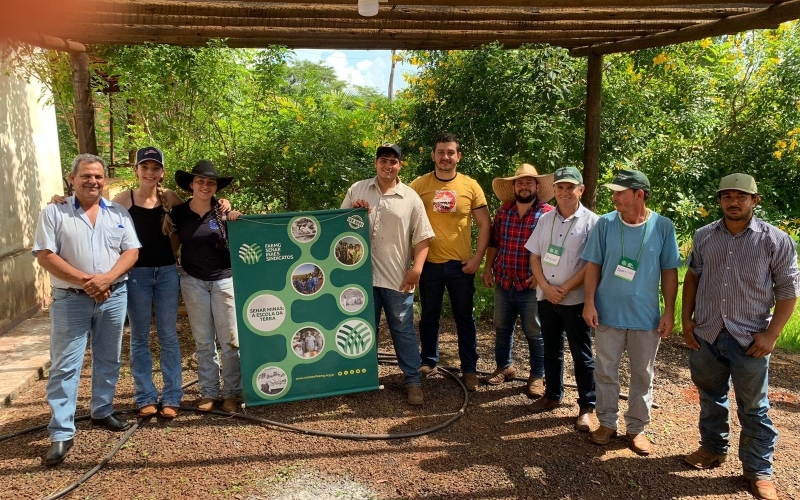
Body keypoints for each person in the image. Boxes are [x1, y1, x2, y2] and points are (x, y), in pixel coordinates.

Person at [681, 174, 799, 500]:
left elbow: (788, 292)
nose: (733, 202)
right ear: (719, 200)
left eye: (741, 196)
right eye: (727, 196)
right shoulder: (705, 236)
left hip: (750, 339)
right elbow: (692, 277)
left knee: (754, 407)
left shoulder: (775, 241)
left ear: (754, 201)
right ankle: (712, 449)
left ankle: (758, 471)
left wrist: (772, 335)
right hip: (706, 332)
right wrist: (686, 320)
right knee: (710, 396)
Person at [33, 154, 141, 466]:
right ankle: (61, 431)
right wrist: (87, 281)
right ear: (72, 178)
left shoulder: (117, 212)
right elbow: (44, 254)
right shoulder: (55, 212)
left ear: (104, 180)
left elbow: (131, 250)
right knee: (66, 365)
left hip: (114, 294)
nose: (92, 181)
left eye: (98, 176)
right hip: (71, 299)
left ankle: (102, 410)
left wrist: (106, 279)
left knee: (109, 356)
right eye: (86, 176)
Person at [581, 169, 680, 455]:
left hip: (646, 317)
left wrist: (669, 311)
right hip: (607, 314)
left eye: (620, 192)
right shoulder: (605, 224)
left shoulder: (663, 226)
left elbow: (669, 271)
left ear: (639, 194)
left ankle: (637, 429)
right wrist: (589, 301)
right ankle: (607, 423)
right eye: (613, 192)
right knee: (605, 371)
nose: (614, 197)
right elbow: (593, 265)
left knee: (642, 374)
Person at [342, 143, 435, 405]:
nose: (388, 165)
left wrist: (416, 269)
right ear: (376, 163)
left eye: (393, 161)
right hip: (359, 277)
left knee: (402, 329)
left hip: (397, 278)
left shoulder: (410, 198)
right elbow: (338, 226)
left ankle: (412, 381)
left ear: (400, 166)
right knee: (361, 328)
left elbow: (423, 237)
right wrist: (352, 211)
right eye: (383, 160)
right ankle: (360, 378)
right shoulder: (357, 190)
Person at [410, 132, 490, 391]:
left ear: (459, 156)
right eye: (441, 152)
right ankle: (428, 362)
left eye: (450, 152)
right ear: (433, 155)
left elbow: (485, 223)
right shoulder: (419, 185)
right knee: (429, 317)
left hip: (461, 265)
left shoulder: (470, 186)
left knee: (464, 318)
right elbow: (400, 213)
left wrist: (478, 258)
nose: (445, 157)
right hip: (429, 264)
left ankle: (469, 368)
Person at [526, 167, 599, 432]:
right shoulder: (545, 219)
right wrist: (545, 285)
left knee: (582, 354)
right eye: (560, 187)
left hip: (575, 299)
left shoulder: (593, 222)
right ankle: (553, 395)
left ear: (581, 189)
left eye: (570, 187)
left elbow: (592, 263)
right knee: (551, 349)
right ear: (554, 191)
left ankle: (587, 408)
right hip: (546, 297)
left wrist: (565, 287)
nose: (565, 192)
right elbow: (534, 255)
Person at [173, 160, 242, 414]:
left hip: (224, 279)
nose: (205, 186)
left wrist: (234, 217)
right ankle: (209, 391)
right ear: (191, 185)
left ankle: (232, 393)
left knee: (230, 340)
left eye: (210, 182)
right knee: (203, 341)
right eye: (200, 181)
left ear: (216, 188)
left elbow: (240, 239)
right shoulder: (179, 213)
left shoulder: (223, 212)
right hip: (193, 281)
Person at [480, 163, 553, 397]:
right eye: (520, 182)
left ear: (537, 186)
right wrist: (487, 268)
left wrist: (540, 275)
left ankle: (537, 376)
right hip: (504, 279)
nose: (524, 186)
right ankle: (504, 367)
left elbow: (552, 250)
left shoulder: (547, 213)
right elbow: (494, 243)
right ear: (513, 186)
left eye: (529, 182)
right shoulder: (504, 211)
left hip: (530, 283)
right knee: (502, 327)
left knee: (534, 330)